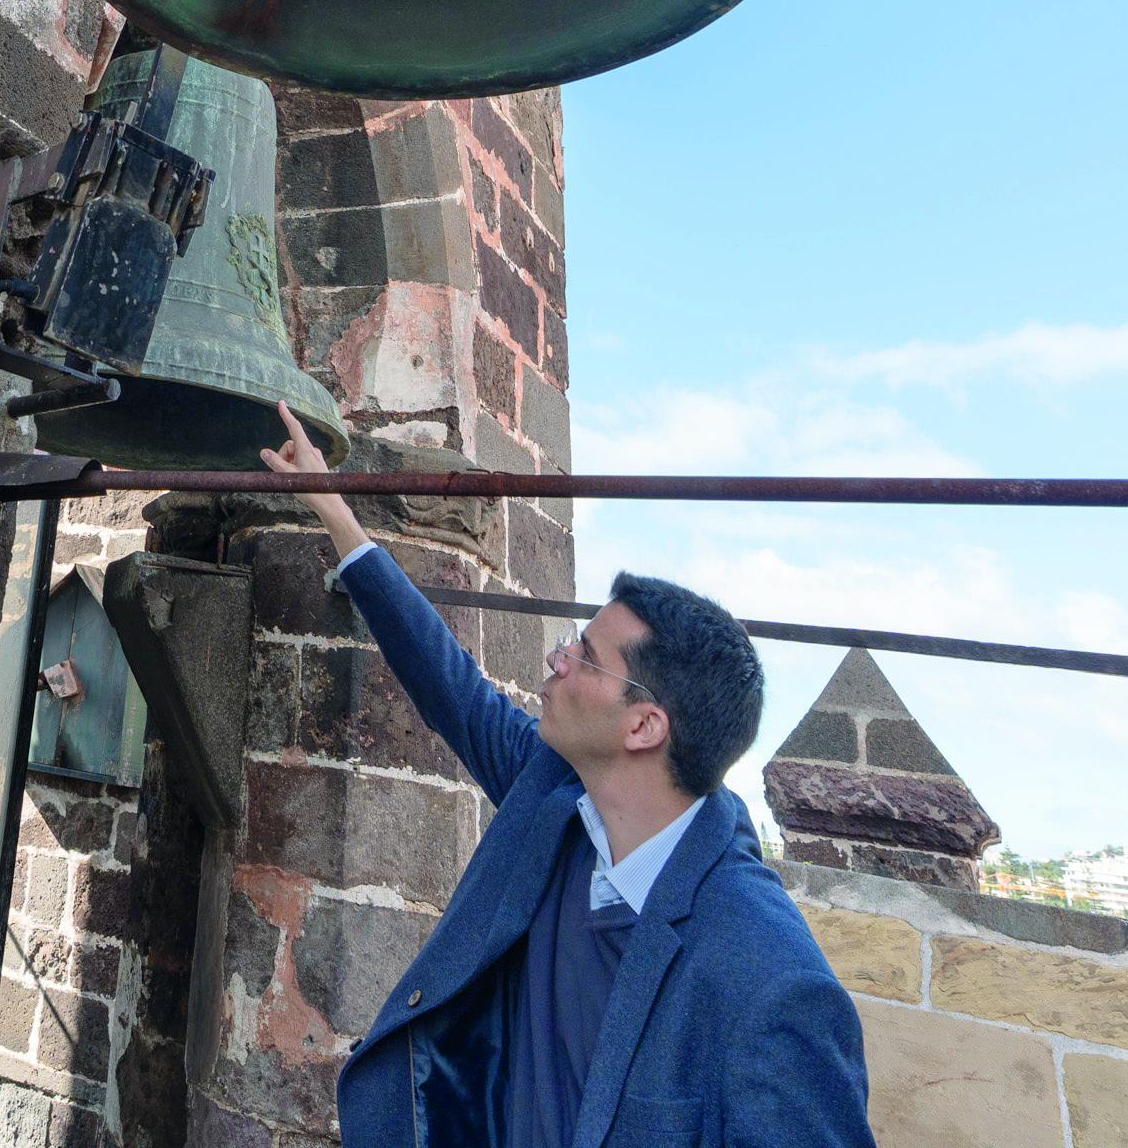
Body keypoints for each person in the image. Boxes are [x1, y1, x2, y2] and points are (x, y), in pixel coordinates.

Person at [262, 407, 873, 1147]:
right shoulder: (553, 801)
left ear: (643, 726)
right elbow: (451, 687)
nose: (555, 659)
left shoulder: (766, 977)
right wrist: (334, 511)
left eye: (582, 656)